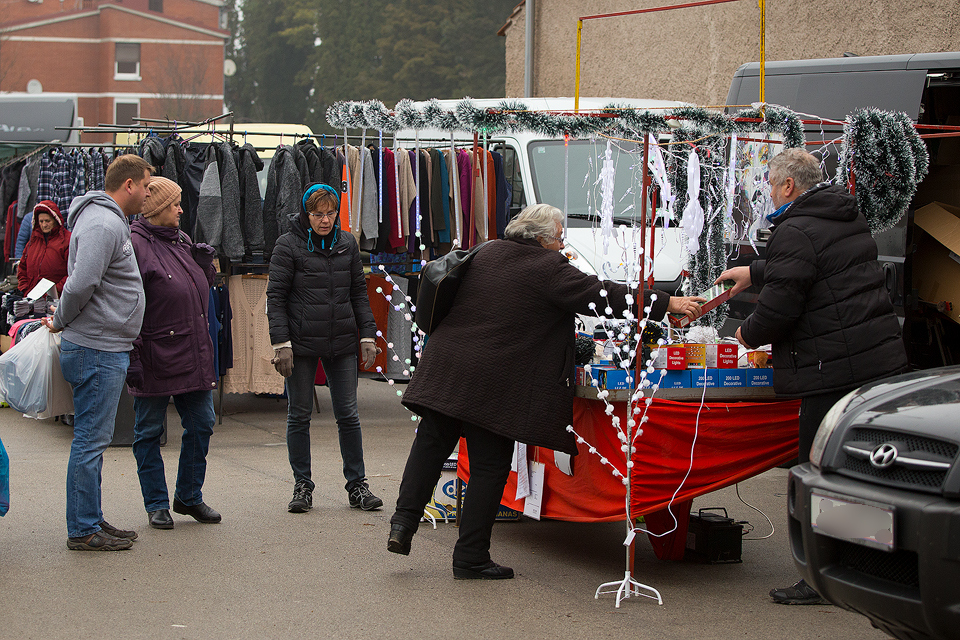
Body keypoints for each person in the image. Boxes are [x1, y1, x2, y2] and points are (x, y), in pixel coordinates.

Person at [387, 203, 705, 579]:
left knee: (430, 446)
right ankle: (470, 556)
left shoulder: (487, 250)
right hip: (492, 383)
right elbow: (602, 294)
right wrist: (666, 302)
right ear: (540, 238)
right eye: (558, 238)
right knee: (490, 466)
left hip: (446, 368)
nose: (562, 245)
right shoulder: (547, 267)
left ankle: (402, 526)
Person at [715, 148, 908, 604]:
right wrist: (755, 270)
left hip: (831, 369)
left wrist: (747, 333)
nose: (766, 192)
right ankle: (864, 566)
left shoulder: (794, 228)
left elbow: (783, 302)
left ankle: (821, 578)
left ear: (787, 187)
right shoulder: (840, 216)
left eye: (769, 183)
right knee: (858, 471)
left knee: (820, 473)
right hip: (874, 363)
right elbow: (819, 266)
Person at [42, 154, 151, 551]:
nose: (147, 193)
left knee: (94, 439)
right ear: (128, 186)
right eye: (145, 186)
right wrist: (61, 320)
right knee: (90, 440)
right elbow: (81, 282)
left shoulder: (106, 220)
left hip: (103, 345)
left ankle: (90, 517)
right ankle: (83, 529)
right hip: (96, 348)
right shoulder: (104, 222)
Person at [266, 183, 384, 514]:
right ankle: (302, 485)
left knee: (348, 413)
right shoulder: (287, 245)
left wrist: (368, 335)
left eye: (331, 213)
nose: (325, 220)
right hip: (300, 344)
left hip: (342, 340)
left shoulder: (346, 244)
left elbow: (359, 294)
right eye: (318, 214)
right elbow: (275, 298)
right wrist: (281, 343)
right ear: (306, 214)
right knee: (299, 414)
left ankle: (357, 485)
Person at [126, 177, 221, 530]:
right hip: (153, 355)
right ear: (155, 209)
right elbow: (129, 304)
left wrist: (203, 266)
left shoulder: (180, 240)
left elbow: (193, 292)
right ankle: (156, 503)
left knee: (202, 424)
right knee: (148, 431)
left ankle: (188, 496)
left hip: (192, 352)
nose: (182, 209)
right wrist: (133, 355)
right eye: (175, 204)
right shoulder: (136, 245)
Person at [17, 200, 70, 297]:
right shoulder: (32, 242)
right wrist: (25, 289)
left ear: (55, 220)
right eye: (41, 221)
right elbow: (22, 268)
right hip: (32, 300)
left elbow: (72, 271)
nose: (44, 225)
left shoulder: (67, 241)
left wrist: (55, 291)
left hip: (59, 299)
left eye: (47, 221)